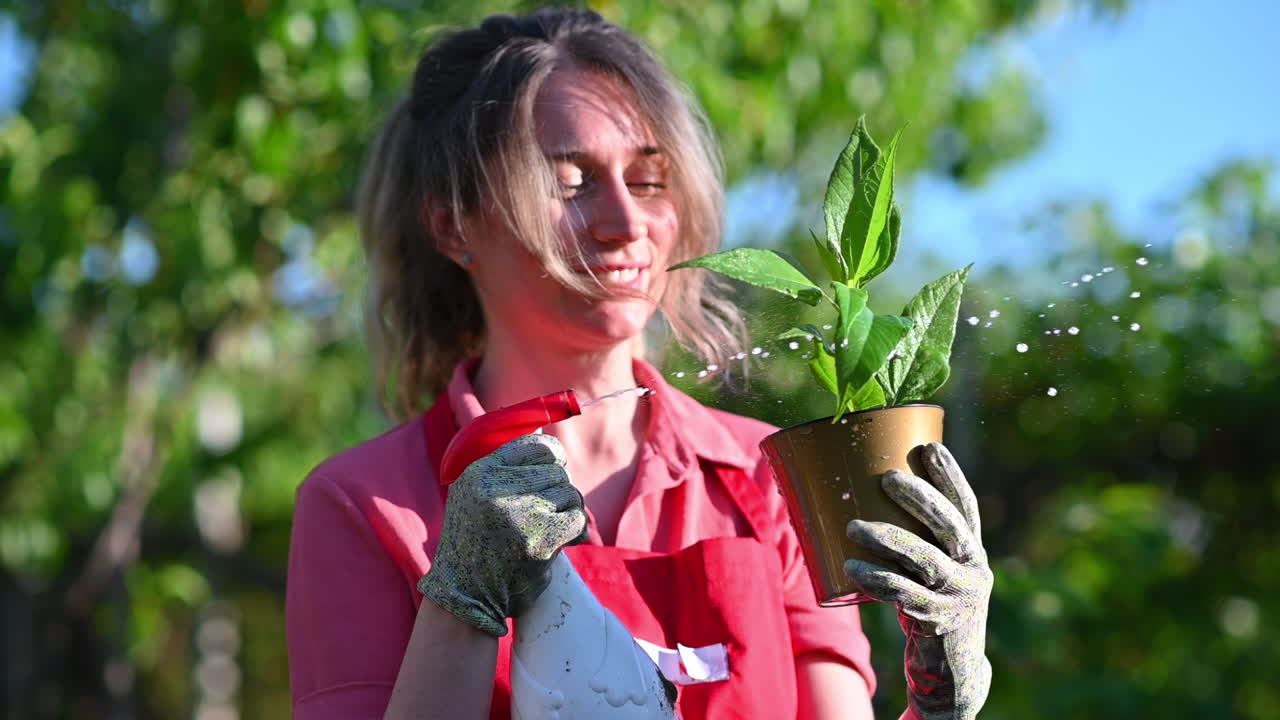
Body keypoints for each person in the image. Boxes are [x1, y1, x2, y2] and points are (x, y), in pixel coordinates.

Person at [285, 8, 992, 720]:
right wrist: (460, 602)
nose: (625, 222)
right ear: (453, 223)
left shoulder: (768, 474)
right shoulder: (366, 504)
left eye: (650, 181)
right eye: (571, 181)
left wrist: (938, 706)